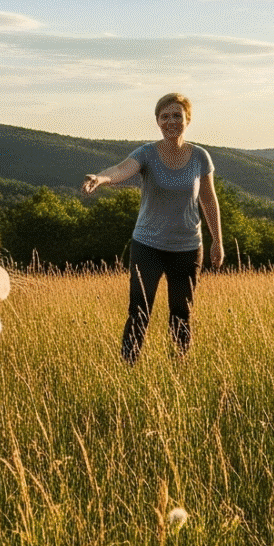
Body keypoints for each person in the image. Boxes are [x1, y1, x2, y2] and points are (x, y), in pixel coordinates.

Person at [82, 92, 223, 362]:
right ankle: (128, 367)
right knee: (139, 311)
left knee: (181, 313)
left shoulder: (200, 157)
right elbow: (123, 169)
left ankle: (180, 367)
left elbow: (208, 199)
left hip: (187, 248)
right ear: (157, 121)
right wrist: (101, 178)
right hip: (148, 246)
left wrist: (217, 240)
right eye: (165, 116)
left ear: (187, 120)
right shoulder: (146, 153)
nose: (171, 121)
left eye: (176, 116)